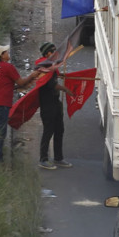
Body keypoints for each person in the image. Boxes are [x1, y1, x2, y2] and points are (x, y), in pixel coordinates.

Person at [0, 45, 39, 162]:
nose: (8, 53)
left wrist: (20, 85)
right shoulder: (8, 67)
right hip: (2, 104)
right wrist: (32, 76)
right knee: (0, 133)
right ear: (2, 55)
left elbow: (5, 85)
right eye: (5, 52)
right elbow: (21, 82)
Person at [35, 42, 74, 170]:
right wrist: (66, 89)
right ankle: (43, 159)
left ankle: (58, 158)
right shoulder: (43, 66)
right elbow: (51, 84)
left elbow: (54, 78)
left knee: (59, 130)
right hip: (48, 105)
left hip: (55, 103)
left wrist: (61, 75)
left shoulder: (52, 66)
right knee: (48, 131)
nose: (56, 54)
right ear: (47, 54)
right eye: (53, 52)